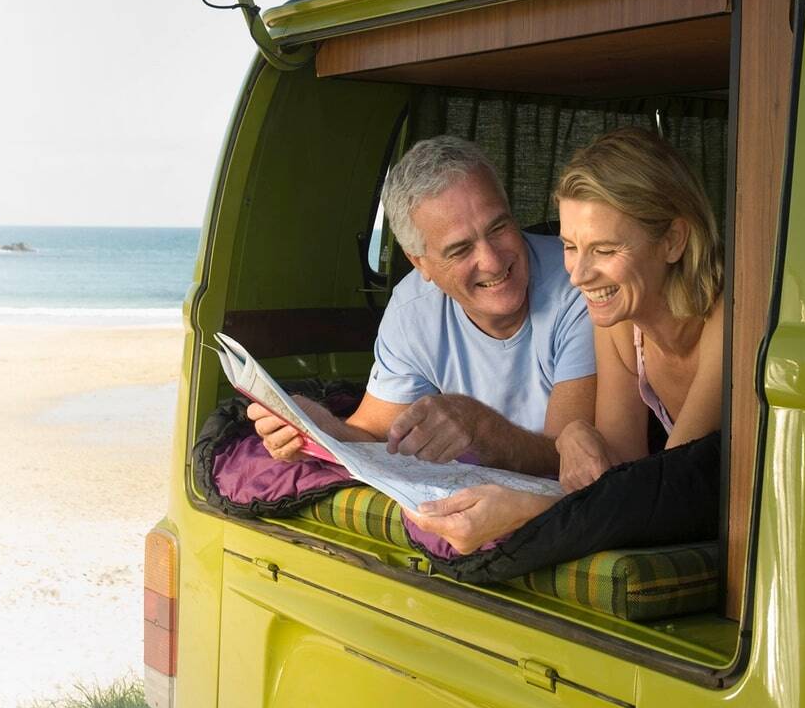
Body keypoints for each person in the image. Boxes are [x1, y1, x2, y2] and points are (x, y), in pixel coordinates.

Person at [406, 128, 724, 553]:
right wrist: (575, 432)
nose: (577, 275)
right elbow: (622, 472)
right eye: (571, 247)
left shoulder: (730, 317)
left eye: (605, 250)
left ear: (672, 240)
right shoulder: (619, 326)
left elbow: (664, 492)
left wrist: (526, 510)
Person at [248, 136, 596, 477]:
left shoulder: (580, 284)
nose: (491, 261)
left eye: (499, 227)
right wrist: (319, 428)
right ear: (420, 263)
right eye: (460, 250)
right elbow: (373, 436)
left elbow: (567, 461)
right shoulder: (412, 310)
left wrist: (480, 428)